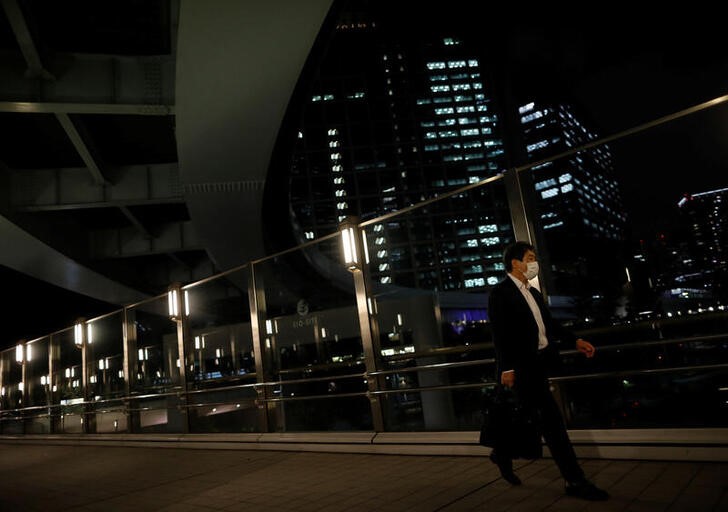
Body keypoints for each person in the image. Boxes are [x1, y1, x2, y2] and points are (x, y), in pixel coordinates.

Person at [487, 241, 609, 501]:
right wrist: (506, 369)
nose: (534, 263)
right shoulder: (500, 293)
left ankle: (501, 453)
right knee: (552, 424)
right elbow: (501, 335)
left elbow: (549, 325)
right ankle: (574, 481)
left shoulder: (532, 292)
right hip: (521, 369)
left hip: (539, 364)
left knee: (526, 420)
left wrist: (574, 341)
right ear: (515, 263)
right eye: (530, 258)